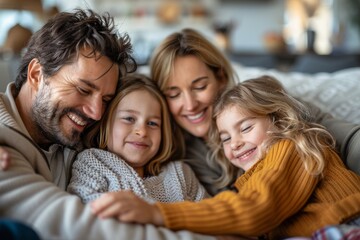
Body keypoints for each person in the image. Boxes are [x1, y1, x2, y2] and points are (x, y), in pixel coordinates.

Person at [0, 9, 215, 240]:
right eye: (83, 89)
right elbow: (70, 225)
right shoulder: (4, 145)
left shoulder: (76, 131)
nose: (96, 112)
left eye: (106, 100)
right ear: (35, 74)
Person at [90, 75, 360, 239]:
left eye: (246, 128)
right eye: (226, 138)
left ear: (278, 120)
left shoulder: (291, 147)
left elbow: (255, 210)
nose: (236, 143)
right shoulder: (251, 175)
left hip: (345, 226)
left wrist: (157, 213)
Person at [148, 28, 360, 196]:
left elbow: (346, 138)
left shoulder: (259, 101)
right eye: (173, 94)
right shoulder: (180, 156)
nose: (190, 104)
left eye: (199, 87)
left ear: (220, 78)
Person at [67, 73, 207, 204]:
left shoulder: (180, 174)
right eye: (129, 118)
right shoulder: (91, 164)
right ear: (105, 124)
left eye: (152, 123)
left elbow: (211, 215)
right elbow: (91, 216)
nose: (142, 131)